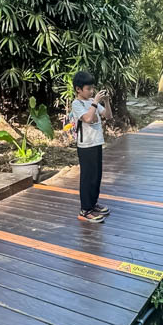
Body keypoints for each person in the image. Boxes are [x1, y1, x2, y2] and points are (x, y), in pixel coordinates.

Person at [71, 71, 111, 222]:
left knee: (96, 176)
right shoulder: (77, 104)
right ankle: (85, 210)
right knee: (87, 178)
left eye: (92, 88)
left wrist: (105, 101)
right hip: (85, 146)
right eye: (88, 89)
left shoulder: (91, 102)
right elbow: (88, 118)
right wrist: (95, 102)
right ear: (78, 89)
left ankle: (93, 204)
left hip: (96, 143)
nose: (91, 91)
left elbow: (108, 116)